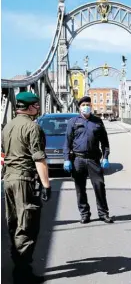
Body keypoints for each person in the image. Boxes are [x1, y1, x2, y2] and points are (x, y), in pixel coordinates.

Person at [2, 92, 51, 284]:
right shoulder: (32, 127)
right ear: (30, 108)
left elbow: (3, 154)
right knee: (27, 225)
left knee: (13, 223)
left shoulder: (8, 126)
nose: (38, 109)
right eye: (37, 106)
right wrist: (46, 185)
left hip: (8, 179)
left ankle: (18, 264)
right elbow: (39, 158)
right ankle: (22, 273)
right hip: (24, 181)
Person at [63, 96, 113, 224]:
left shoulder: (97, 122)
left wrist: (105, 157)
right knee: (80, 189)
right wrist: (66, 159)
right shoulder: (73, 122)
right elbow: (67, 143)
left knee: (99, 186)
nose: (86, 106)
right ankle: (84, 214)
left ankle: (103, 214)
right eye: (83, 104)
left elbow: (105, 142)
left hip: (94, 160)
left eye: (88, 104)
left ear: (91, 106)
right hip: (78, 159)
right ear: (79, 107)